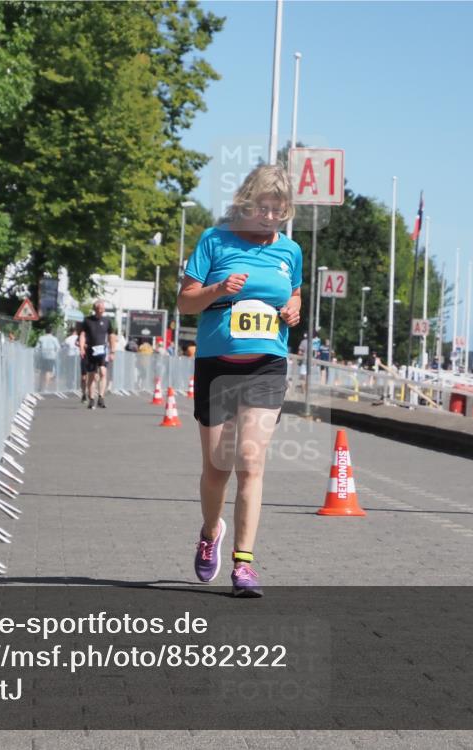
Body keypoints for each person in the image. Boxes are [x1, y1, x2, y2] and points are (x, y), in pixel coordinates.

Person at [178, 164, 302, 598]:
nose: (269, 217)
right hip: (217, 365)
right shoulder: (215, 241)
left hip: (266, 366)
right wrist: (218, 290)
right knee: (218, 468)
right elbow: (185, 303)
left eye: (278, 210)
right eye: (262, 208)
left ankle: (244, 564)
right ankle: (210, 531)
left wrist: (293, 309)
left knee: (251, 463)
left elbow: (294, 292)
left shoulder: (290, 250)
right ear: (245, 205)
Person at [79, 300, 116, 409]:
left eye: (102, 308)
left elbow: (111, 336)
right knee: (92, 375)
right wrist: (81, 348)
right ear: (95, 309)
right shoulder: (87, 320)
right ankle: (91, 399)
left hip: (102, 350)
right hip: (90, 350)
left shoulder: (107, 321)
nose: (101, 310)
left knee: (103, 372)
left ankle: (101, 397)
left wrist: (112, 351)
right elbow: (82, 335)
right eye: (99, 308)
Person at [35, 326, 60, 391]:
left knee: (42, 372)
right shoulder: (54, 339)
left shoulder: (41, 338)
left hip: (42, 356)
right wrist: (55, 354)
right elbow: (58, 348)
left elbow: (37, 348)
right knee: (48, 372)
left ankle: (40, 386)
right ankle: (45, 388)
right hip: (51, 357)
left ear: (45, 331)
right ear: (51, 331)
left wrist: (38, 355)